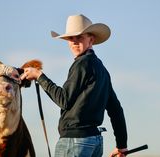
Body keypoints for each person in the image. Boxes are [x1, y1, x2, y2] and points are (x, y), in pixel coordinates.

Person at [21, 14, 128, 157]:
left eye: (80, 37)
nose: (75, 42)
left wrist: (39, 76)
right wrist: (122, 145)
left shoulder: (82, 64)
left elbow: (63, 100)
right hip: (95, 141)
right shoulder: (102, 70)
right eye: (71, 38)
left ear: (91, 40)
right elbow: (116, 110)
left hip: (75, 141)